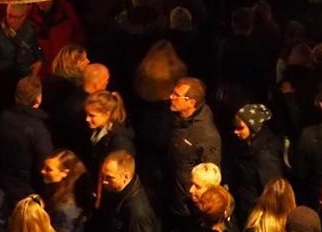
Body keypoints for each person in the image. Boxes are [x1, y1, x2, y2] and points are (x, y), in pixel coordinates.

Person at [168, 78, 223, 226]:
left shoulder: (206, 135)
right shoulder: (176, 118)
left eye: (176, 95)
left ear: (191, 102)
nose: (171, 97)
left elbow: (210, 178)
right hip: (172, 196)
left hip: (188, 208)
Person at [0, 76, 55, 207]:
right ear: (38, 99)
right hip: (27, 190)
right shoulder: (39, 130)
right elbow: (43, 164)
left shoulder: (3, 117)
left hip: (3, 183)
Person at [229, 105, 284, 222]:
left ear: (253, 128)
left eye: (240, 128)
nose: (235, 131)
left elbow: (272, 191)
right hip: (246, 207)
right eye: (235, 127)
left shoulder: (265, 155)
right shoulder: (246, 145)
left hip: (256, 214)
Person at [0, 5, 44, 108]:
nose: (12, 20)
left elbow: (37, 52)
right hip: (2, 82)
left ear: (24, 16)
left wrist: (37, 64)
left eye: (17, 17)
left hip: (23, 80)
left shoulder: (30, 30)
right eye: (9, 15)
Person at [91, 151, 158, 232]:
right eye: (103, 176)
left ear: (125, 177)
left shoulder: (136, 213)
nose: (104, 181)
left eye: (109, 177)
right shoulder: (117, 192)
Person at [86, 91, 136, 175]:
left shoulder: (120, 140)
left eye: (92, 115)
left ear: (107, 114)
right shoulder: (97, 130)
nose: (87, 119)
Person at [41, 150, 87, 232]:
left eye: (49, 169)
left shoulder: (64, 207)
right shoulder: (56, 193)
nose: (42, 171)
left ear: (64, 173)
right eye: (44, 167)